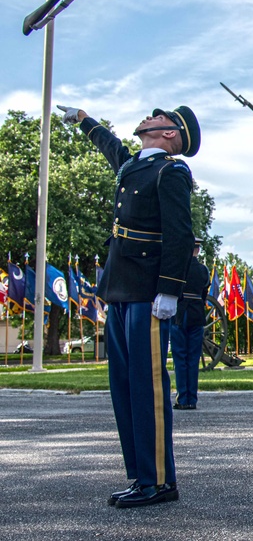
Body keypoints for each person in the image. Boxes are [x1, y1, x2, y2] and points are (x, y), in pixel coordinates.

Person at [59, 103, 199, 508]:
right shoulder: (135, 166)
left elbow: (179, 234)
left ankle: (157, 481)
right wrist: (86, 121)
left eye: (158, 117)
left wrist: (169, 290)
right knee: (123, 388)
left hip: (146, 293)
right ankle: (141, 476)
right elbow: (112, 148)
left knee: (147, 387)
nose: (149, 117)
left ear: (170, 133)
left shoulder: (171, 172)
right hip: (119, 289)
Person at [172, 238, 210, 411]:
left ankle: (182, 397)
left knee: (180, 357)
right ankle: (192, 398)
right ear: (198, 250)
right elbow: (204, 295)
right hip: (196, 314)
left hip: (180, 313)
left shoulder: (178, 267)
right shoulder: (203, 270)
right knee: (193, 358)